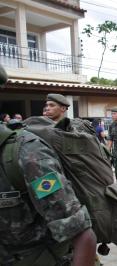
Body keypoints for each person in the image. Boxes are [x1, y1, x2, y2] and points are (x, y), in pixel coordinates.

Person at [0, 64, 97, 266]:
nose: (46, 109)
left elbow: (81, 233)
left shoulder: (69, 131)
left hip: (55, 210)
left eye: (52, 105)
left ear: (63, 108)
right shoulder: (36, 126)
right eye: (46, 105)